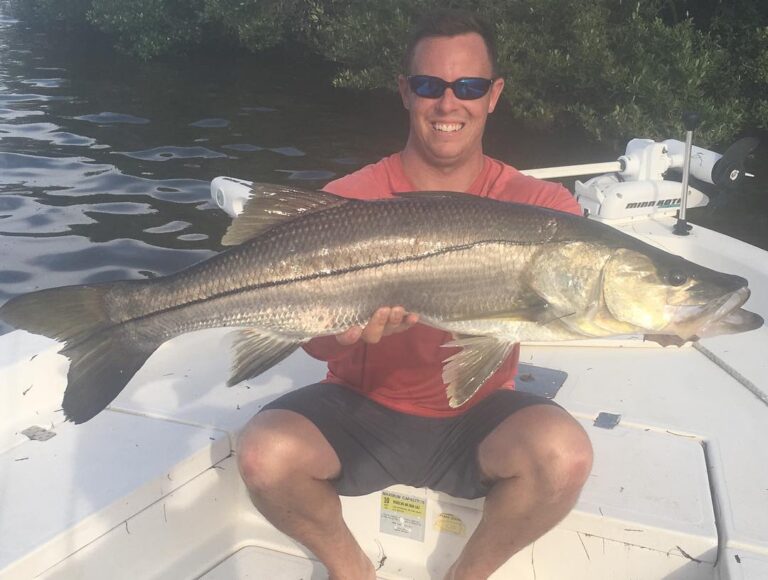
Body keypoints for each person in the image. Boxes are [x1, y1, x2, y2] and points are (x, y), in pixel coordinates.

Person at [237, 9, 593, 580]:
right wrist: (339, 335)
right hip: (361, 410)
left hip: (479, 416)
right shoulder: (346, 201)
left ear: (494, 94)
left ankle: (466, 575)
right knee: (261, 454)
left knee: (565, 455)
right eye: (429, 85)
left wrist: (672, 314)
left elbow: (587, 306)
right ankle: (351, 570)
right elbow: (314, 345)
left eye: (469, 86)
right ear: (405, 92)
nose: (448, 104)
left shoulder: (543, 211)